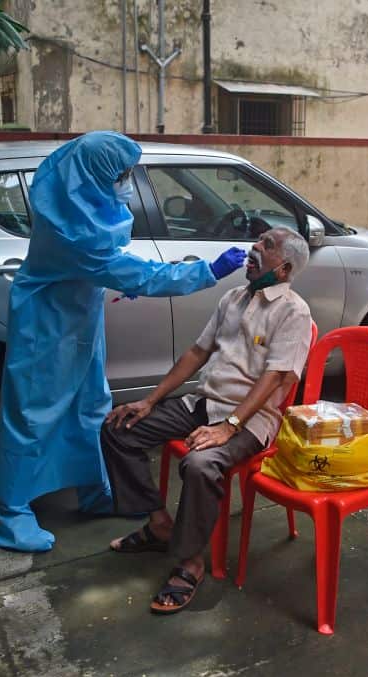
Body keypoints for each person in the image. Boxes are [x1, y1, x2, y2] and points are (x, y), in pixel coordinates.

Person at [0, 131, 247, 553]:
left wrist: (108, 275)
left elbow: (111, 262)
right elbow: (131, 271)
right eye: (122, 175)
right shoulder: (74, 230)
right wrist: (209, 270)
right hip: (45, 328)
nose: (127, 182)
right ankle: (12, 513)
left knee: (89, 405)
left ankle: (93, 490)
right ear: (96, 176)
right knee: (34, 414)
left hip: (76, 321)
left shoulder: (75, 201)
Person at [102, 227, 313, 614]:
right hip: (204, 402)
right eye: (258, 240)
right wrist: (150, 401)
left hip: (251, 419)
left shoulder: (294, 312)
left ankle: (190, 561)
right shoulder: (232, 298)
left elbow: (276, 378)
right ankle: (160, 522)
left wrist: (229, 426)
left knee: (199, 464)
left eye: (266, 246)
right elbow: (198, 352)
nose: (253, 248)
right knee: (119, 428)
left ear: (282, 269)